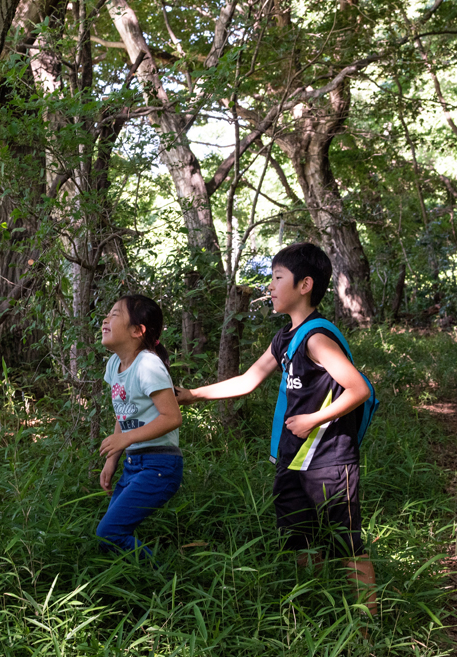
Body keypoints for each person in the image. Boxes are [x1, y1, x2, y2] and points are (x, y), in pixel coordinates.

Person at [176, 243, 376, 614]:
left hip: (329, 459)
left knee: (347, 544)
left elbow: (359, 389)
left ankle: (367, 631)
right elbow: (249, 380)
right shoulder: (284, 337)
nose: (269, 286)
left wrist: (314, 419)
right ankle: (313, 612)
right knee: (298, 540)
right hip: (292, 457)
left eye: (277, 278)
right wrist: (191, 395)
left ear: (305, 285)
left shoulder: (316, 338)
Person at [96, 294, 183, 560]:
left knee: (108, 533)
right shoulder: (115, 365)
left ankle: (164, 583)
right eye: (107, 314)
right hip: (134, 463)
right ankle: (139, 582)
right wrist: (112, 460)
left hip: (160, 465)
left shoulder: (147, 364)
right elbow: (123, 413)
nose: (105, 319)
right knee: (108, 535)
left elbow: (172, 417)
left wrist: (126, 440)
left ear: (137, 330)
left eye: (115, 314)